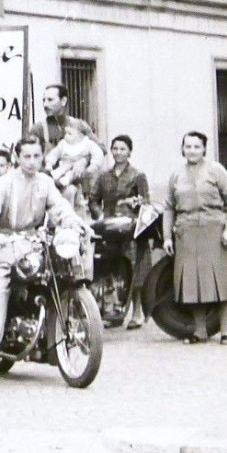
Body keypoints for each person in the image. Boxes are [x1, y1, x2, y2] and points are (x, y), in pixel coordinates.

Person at [0, 136, 83, 386]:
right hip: (5, 245)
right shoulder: (3, 184)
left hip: (34, 244)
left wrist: (73, 222)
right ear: (17, 158)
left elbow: (59, 207)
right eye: (27, 156)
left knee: (61, 270)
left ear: (43, 157)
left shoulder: (45, 182)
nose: (32, 162)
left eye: (37, 156)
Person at [162, 131, 227, 345]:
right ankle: (200, 330)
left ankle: (225, 330)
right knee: (192, 282)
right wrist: (167, 237)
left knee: (219, 281)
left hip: (214, 231)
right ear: (182, 149)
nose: (192, 151)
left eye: (196, 147)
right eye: (188, 146)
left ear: (204, 149)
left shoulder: (216, 170)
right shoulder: (176, 175)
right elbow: (169, 207)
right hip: (186, 233)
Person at [91, 135, 153, 330]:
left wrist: (134, 203)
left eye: (123, 149)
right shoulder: (103, 176)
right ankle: (112, 309)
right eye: (115, 148)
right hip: (108, 227)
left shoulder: (137, 175)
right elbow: (93, 198)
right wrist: (99, 214)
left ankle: (136, 313)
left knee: (133, 269)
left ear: (129, 152)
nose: (118, 152)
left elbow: (146, 202)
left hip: (130, 228)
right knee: (108, 268)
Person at [45, 117, 106, 214]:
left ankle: (65, 180)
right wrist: (49, 163)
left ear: (81, 135)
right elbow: (54, 154)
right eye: (65, 133)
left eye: (70, 134)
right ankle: (55, 176)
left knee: (73, 172)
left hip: (76, 172)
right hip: (64, 166)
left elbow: (98, 153)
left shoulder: (87, 144)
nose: (66, 136)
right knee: (62, 169)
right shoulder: (63, 144)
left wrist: (93, 166)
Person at [40, 84, 74, 152]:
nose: (45, 105)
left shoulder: (77, 125)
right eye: (44, 100)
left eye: (50, 100)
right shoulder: (39, 129)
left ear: (63, 101)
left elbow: (99, 148)